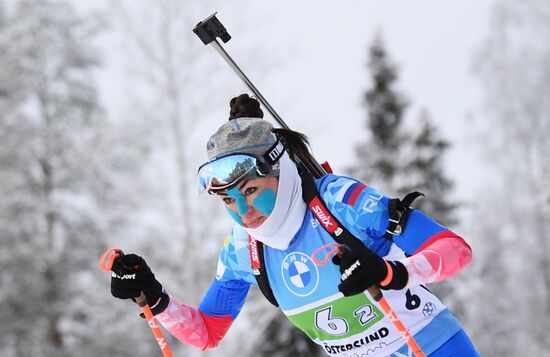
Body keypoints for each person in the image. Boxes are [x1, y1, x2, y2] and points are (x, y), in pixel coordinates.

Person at [109, 94, 479, 356]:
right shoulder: (243, 248)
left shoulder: (338, 200)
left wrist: (392, 272)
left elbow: (455, 250)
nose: (242, 210)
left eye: (251, 190)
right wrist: (156, 300)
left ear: (281, 173)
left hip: (431, 347)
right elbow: (206, 332)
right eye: (227, 200)